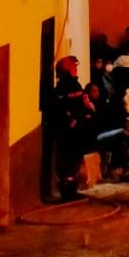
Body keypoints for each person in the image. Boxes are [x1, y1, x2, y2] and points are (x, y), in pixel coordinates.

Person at [52, 55, 92, 201]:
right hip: (69, 131)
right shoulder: (67, 88)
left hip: (74, 131)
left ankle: (71, 190)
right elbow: (73, 107)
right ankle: (68, 193)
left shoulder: (70, 86)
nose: (76, 70)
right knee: (69, 162)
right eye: (74, 67)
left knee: (73, 161)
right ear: (67, 70)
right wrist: (77, 119)